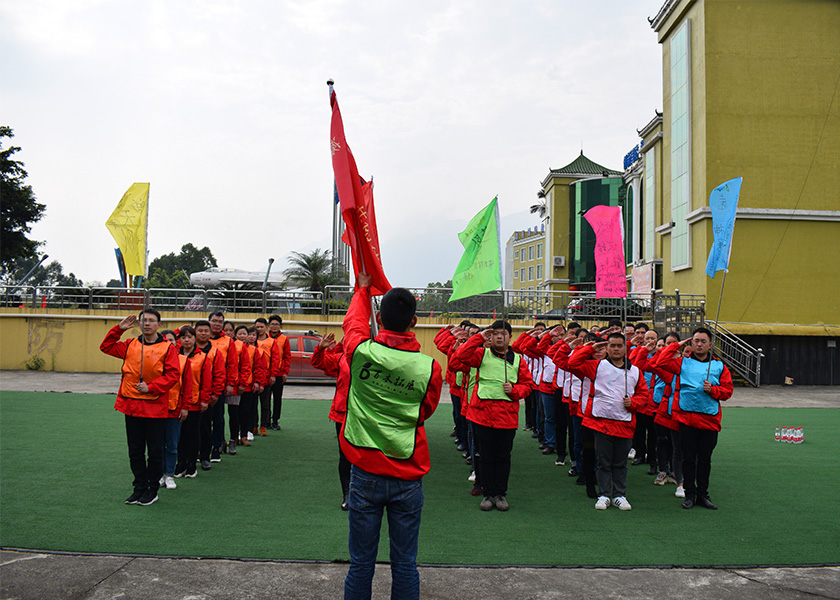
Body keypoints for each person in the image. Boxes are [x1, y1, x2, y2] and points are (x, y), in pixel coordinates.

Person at [339, 273, 442, 600]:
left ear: (379, 318)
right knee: (405, 563)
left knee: (361, 564)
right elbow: (424, 411)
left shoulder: (360, 352)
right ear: (414, 321)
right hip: (407, 472)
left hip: (365, 470)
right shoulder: (429, 368)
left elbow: (353, 325)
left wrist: (362, 290)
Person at [100, 310, 180, 506]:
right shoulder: (130, 345)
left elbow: (172, 375)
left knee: (154, 451)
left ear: (159, 325)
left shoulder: (167, 348)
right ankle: (139, 487)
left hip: (154, 407)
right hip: (131, 406)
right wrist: (118, 330)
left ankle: (152, 489)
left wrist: (151, 387)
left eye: (152, 320)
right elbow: (106, 347)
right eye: (144, 320)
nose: (147, 324)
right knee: (135, 450)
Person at [452, 320, 533, 511]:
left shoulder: (519, 360)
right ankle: (487, 494)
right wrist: (478, 338)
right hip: (482, 415)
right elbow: (461, 356)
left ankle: (500, 494)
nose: (498, 336)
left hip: (507, 417)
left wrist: (514, 390)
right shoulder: (481, 354)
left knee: (503, 457)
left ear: (510, 337)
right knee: (485, 456)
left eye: (503, 333)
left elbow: (528, 386)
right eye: (495, 333)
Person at [654, 327, 733, 510]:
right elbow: (660, 362)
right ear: (691, 342)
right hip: (686, 419)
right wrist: (676, 345)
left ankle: (703, 494)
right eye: (696, 341)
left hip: (709, 420)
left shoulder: (719, 366)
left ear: (710, 345)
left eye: (703, 341)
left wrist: (713, 390)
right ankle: (689, 494)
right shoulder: (682, 363)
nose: (699, 344)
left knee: (705, 459)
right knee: (688, 459)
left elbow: (727, 391)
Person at [568, 333, 649, 511]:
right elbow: (572, 364)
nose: (616, 349)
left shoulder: (635, 371)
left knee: (620, 463)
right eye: (612, 345)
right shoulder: (597, 366)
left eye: (619, 346)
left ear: (625, 348)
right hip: (601, 422)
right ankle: (604, 494)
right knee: (603, 462)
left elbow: (644, 395)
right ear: (607, 348)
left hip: (624, 423)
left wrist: (633, 403)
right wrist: (590, 348)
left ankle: (619, 495)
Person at [311, 331, 351, 509]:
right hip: (343, 414)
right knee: (345, 456)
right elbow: (319, 362)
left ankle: (365, 492)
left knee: (367, 455)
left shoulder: (377, 358)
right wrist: (321, 348)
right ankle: (348, 494)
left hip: (367, 414)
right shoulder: (342, 358)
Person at [174, 326, 215, 479]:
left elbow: (206, 381)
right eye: (183, 337)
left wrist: (205, 400)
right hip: (176, 402)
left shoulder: (202, 357)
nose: (186, 340)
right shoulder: (174, 356)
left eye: (189, 337)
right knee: (179, 435)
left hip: (195, 402)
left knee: (193, 433)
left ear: (194, 339)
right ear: (179, 340)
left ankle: (191, 465)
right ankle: (181, 463)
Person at [160, 330, 192, 490]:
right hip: (155, 409)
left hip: (174, 408)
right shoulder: (154, 358)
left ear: (176, 342)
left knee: (172, 444)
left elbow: (188, 386)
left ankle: (169, 475)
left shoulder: (184, 361)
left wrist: (185, 407)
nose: (168, 342)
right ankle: (158, 474)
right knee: (156, 445)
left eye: (171, 340)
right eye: (165, 340)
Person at [208, 311, 238, 462]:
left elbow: (232, 364)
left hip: (219, 384)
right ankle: (203, 447)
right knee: (203, 420)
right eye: (214, 321)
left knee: (218, 417)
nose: (217, 324)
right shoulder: (202, 337)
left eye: (220, 321)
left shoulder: (228, 341)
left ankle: (217, 446)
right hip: (200, 385)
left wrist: (230, 383)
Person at [267, 314, 291, 430]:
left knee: (277, 398)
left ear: (280, 326)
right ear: (268, 326)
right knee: (265, 399)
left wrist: (285, 372)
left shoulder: (284, 339)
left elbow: (287, 356)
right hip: (266, 374)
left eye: (277, 324)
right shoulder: (264, 337)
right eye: (272, 324)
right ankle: (265, 421)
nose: (274, 326)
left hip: (279, 374)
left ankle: (275, 421)